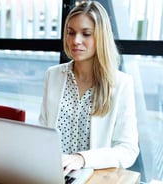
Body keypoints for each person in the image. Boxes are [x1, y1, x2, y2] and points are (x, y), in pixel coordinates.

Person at [39, 1, 139, 176]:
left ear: (101, 37)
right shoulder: (53, 75)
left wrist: (82, 158)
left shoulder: (121, 83)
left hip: (92, 176)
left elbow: (128, 150)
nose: (76, 41)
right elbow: (41, 133)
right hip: (51, 173)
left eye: (86, 34)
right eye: (71, 33)